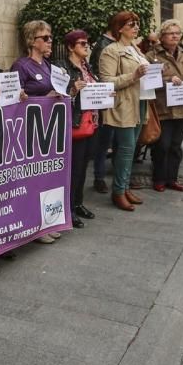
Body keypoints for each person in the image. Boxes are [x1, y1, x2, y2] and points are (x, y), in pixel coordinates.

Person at [11, 20, 64, 243]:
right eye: (45, 38)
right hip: (30, 133)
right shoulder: (21, 66)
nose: (50, 41)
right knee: (32, 180)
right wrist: (44, 99)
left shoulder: (50, 66)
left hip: (49, 131)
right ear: (32, 41)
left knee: (47, 178)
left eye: (51, 37)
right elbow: (13, 99)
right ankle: (34, 225)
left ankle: (47, 221)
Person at [98, 12, 149, 212]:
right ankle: (118, 191)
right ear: (119, 28)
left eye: (137, 24)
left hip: (140, 102)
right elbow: (107, 81)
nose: (136, 27)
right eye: (131, 24)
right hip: (123, 105)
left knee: (131, 149)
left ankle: (124, 188)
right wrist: (134, 75)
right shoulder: (111, 51)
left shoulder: (135, 49)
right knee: (126, 150)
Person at [146, 20, 183, 192]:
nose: (175, 36)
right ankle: (159, 178)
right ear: (161, 36)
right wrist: (167, 80)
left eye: (178, 32)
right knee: (162, 145)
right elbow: (146, 82)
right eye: (170, 33)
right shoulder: (151, 56)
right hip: (162, 109)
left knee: (176, 147)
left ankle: (172, 179)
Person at [63, 30, 100, 225]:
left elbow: (96, 89)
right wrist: (72, 90)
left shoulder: (87, 66)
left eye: (87, 43)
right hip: (75, 123)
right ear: (70, 47)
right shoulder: (63, 68)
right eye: (81, 43)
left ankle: (78, 203)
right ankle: (69, 208)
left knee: (84, 166)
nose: (86, 46)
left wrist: (106, 95)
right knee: (74, 169)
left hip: (91, 122)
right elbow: (61, 97)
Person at [88, 14, 121, 194]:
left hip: (116, 97)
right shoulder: (104, 45)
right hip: (106, 98)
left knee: (116, 139)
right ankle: (99, 177)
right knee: (105, 139)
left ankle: (113, 176)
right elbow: (102, 74)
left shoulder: (120, 44)